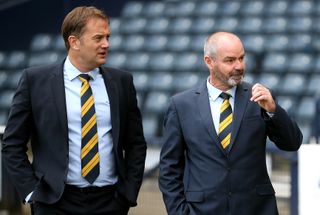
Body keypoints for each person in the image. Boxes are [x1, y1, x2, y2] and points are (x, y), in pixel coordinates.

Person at [2, 6, 147, 215]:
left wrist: (128, 193)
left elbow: (136, 144)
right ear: (74, 41)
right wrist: (32, 193)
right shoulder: (35, 81)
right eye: (98, 38)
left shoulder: (122, 81)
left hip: (110, 202)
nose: (106, 44)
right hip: (54, 202)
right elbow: (12, 144)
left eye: (107, 37)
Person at [158, 32, 302, 215]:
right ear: (209, 61)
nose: (239, 66)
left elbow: (292, 143)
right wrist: (179, 212)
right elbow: (169, 168)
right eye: (230, 60)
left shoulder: (260, 96)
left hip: (257, 209)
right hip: (202, 210)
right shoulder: (181, 105)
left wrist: (273, 110)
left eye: (241, 58)